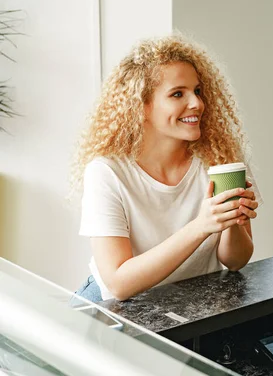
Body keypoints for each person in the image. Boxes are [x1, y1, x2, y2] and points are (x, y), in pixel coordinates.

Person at [71, 35, 260, 302]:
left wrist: (231, 220)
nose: (196, 103)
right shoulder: (107, 173)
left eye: (197, 91)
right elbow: (118, 284)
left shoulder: (219, 159)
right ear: (141, 106)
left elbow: (236, 261)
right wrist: (202, 226)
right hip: (112, 308)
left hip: (190, 302)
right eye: (177, 94)